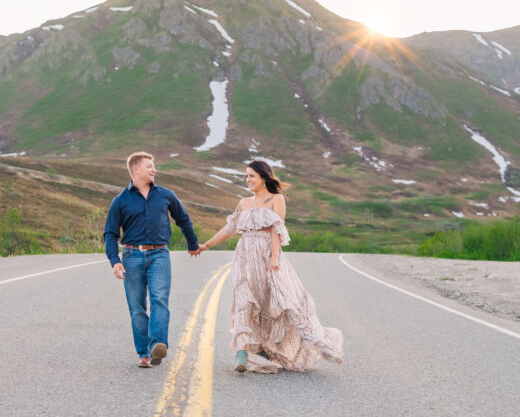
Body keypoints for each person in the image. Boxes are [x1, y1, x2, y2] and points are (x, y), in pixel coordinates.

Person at [196, 160, 343, 373]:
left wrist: (274, 257)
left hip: (267, 255)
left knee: (273, 303)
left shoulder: (276, 199)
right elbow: (230, 228)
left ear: (263, 177)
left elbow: (277, 229)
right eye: (246, 176)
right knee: (244, 299)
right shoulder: (244, 202)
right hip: (245, 254)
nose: (248, 180)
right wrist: (206, 245)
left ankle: (266, 347)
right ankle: (242, 351)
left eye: (251, 176)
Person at [104, 152, 201, 368]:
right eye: (149, 166)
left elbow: (183, 219)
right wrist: (114, 260)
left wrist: (193, 245)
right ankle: (144, 354)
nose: (154, 169)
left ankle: (158, 344)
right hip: (131, 256)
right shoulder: (120, 201)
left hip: (159, 255)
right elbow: (110, 233)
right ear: (135, 169)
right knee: (137, 307)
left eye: (154, 166)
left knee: (159, 300)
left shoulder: (166, 195)